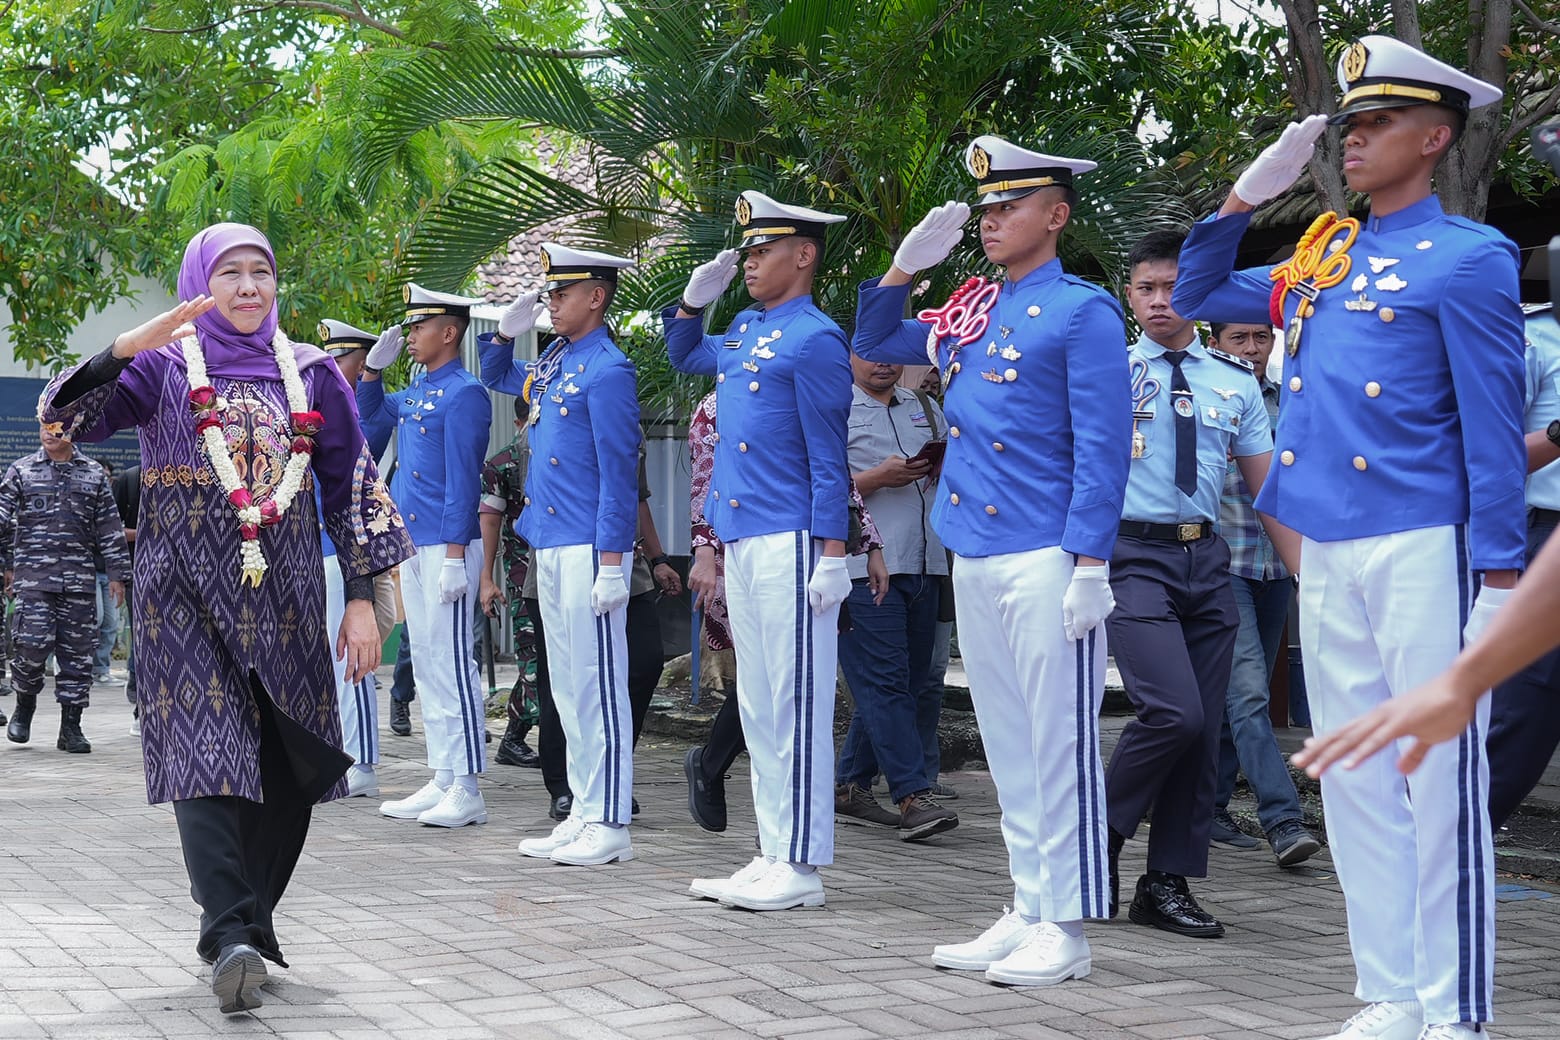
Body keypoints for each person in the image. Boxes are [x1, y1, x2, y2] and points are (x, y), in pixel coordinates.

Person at [1173, 36, 1522, 1040]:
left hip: (1421, 538)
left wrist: (1501, 576)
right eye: (1350, 123)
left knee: (1438, 775)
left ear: (1435, 137)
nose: (1353, 139)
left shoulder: (1469, 257)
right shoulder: (1324, 257)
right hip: (1325, 539)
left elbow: (1494, 426)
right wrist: (1245, 197)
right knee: (1355, 772)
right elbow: (1195, 294)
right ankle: (1393, 990)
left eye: (1377, 122)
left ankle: (1456, 1008)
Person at [38, 222, 411, 1013]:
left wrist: (361, 598)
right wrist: (127, 347)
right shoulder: (164, 367)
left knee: (281, 764)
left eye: (260, 273)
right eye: (229, 274)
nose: (247, 288)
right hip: (181, 596)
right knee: (201, 752)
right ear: (199, 286)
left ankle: (247, 920)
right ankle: (229, 934)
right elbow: (62, 419)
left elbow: (351, 487)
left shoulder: (312, 373)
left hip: (285, 599)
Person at [851, 135, 1131, 987]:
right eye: (987, 209)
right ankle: (1029, 901)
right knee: (1009, 741)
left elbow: (1103, 447)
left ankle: (1068, 926)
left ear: (1057, 214)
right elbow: (875, 338)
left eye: (1011, 205)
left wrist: (1091, 563)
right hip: (973, 546)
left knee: (1058, 742)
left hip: (1046, 549)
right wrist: (903, 267)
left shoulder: (1082, 311)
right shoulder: (972, 312)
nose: (992, 220)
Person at [665, 191, 853, 911]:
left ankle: (800, 862)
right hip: (743, 537)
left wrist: (833, 550)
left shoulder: (816, 338)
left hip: (792, 538)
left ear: (803, 255)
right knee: (759, 702)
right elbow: (686, 352)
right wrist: (692, 302)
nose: (748, 262)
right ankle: (773, 848)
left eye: (762, 250)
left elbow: (829, 457)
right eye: (747, 251)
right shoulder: (747, 326)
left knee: (795, 701)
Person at [478, 243, 641, 866]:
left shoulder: (608, 369)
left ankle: (610, 819)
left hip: (586, 546)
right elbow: (498, 376)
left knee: (599, 687)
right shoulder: (555, 360)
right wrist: (502, 335)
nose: (550, 302)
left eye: (561, 293)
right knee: (568, 690)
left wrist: (612, 562)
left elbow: (619, 473)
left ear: (596, 297)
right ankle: (583, 809)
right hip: (548, 543)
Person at [681, 390, 889, 836]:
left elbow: (835, 473)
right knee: (765, 682)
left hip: (810, 548)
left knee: (791, 681)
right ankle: (752, 804)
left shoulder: (805, 391)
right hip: (741, 549)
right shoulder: (717, 405)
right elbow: (705, 480)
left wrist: (870, 543)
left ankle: (776, 824)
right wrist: (704, 552)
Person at [360, 282, 493, 829]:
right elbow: (369, 420)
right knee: (429, 661)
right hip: (414, 541)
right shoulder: (419, 389)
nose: (411, 335)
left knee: (453, 662)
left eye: (419, 327)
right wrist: (372, 371)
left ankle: (468, 785)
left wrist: (458, 554)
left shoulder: (465, 393)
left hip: (446, 542)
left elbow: (465, 480)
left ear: (449, 332)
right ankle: (443, 773)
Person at [1205, 321, 1321, 867]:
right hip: (1222, 564)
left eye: (1261, 337)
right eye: (1239, 339)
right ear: (1215, 343)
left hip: (1278, 567)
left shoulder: (1288, 398)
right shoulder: (1205, 395)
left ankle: (1209, 807)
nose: (1252, 348)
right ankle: (1283, 820)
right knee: (1250, 692)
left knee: (1237, 699)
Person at [833, 352, 958, 841]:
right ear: (849, 355)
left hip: (926, 561)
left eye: (891, 356)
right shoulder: (833, 407)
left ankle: (850, 785)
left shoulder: (924, 406)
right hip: (862, 566)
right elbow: (814, 486)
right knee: (885, 681)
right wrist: (874, 480)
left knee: (907, 681)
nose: (882, 365)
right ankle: (912, 796)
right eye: (870, 354)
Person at [0, 426, 130, 753]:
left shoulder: (93, 475)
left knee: (77, 654)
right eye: (45, 427)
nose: (50, 434)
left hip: (78, 580)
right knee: (30, 645)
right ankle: (24, 706)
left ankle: (70, 727)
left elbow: (109, 527)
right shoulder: (22, 470)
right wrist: (7, 562)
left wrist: (117, 573)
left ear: (73, 432)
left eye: (58, 428)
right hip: (34, 579)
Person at [1482, 303, 1560, 830]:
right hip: (1548, 534)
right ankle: (1445, 843)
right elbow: (1490, 453)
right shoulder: (1537, 335)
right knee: (1523, 711)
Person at [316, 319, 400, 797]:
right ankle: (339, 751)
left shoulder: (365, 410)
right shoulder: (318, 407)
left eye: (339, 360)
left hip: (347, 553)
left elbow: (370, 430)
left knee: (352, 656)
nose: (329, 368)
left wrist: (371, 378)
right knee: (328, 659)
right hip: (316, 547)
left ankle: (361, 760)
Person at [478, 399, 542, 769]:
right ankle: (515, 737)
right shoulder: (502, 464)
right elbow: (489, 519)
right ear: (521, 423)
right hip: (523, 574)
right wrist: (487, 578)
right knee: (533, 656)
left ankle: (525, 737)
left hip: (557, 566)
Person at [110, 463, 141, 732]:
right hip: (138, 573)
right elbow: (112, 530)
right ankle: (141, 708)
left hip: (185, 574)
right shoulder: (130, 480)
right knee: (143, 637)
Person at [91, 458, 124, 685]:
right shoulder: (87, 500)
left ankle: (101, 669)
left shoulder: (113, 504)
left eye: (106, 476)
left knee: (111, 623)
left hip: (109, 572)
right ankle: (82, 667)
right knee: (96, 618)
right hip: (89, 571)